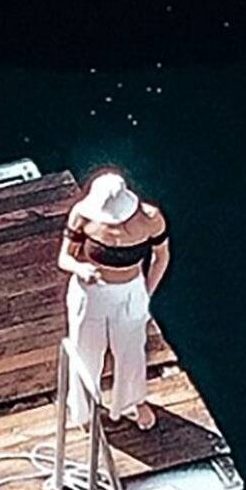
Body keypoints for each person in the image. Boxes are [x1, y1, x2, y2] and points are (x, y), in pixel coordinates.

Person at [57, 170, 170, 431]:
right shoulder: (82, 215)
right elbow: (64, 257)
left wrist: (146, 291)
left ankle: (130, 404)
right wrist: (80, 268)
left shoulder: (150, 219)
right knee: (86, 351)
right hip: (91, 293)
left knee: (131, 351)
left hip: (130, 291)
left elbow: (161, 256)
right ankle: (83, 409)